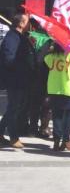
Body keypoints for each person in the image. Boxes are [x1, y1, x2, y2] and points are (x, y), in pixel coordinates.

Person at [0, 14, 34, 149]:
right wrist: (22, 66)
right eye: (27, 22)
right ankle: (13, 137)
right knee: (14, 108)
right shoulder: (12, 38)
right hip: (14, 79)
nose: (29, 24)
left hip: (21, 78)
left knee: (14, 107)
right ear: (20, 24)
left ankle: (1, 131)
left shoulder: (21, 37)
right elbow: (9, 59)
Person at [44, 44, 70, 152]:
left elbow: (45, 60)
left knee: (57, 115)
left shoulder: (51, 56)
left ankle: (56, 141)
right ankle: (66, 141)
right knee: (69, 115)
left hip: (54, 88)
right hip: (68, 88)